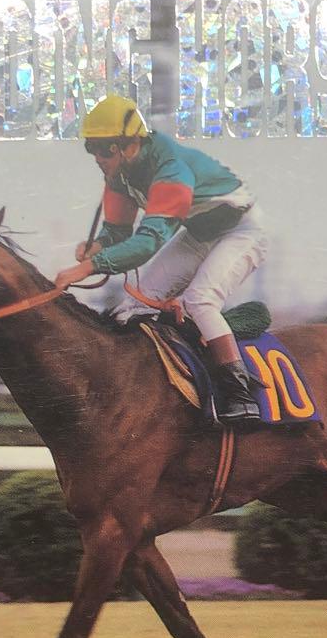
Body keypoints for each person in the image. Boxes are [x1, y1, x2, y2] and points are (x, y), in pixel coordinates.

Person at [54, 95, 268, 426]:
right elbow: (118, 231)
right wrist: (96, 246)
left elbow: (147, 243)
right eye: (91, 148)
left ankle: (241, 395)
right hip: (200, 233)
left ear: (131, 144)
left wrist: (85, 268)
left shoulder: (172, 170)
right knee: (133, 308)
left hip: (242, 231)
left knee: (200, 299)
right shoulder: (120, 175)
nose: (97, 157)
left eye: (105, 148)